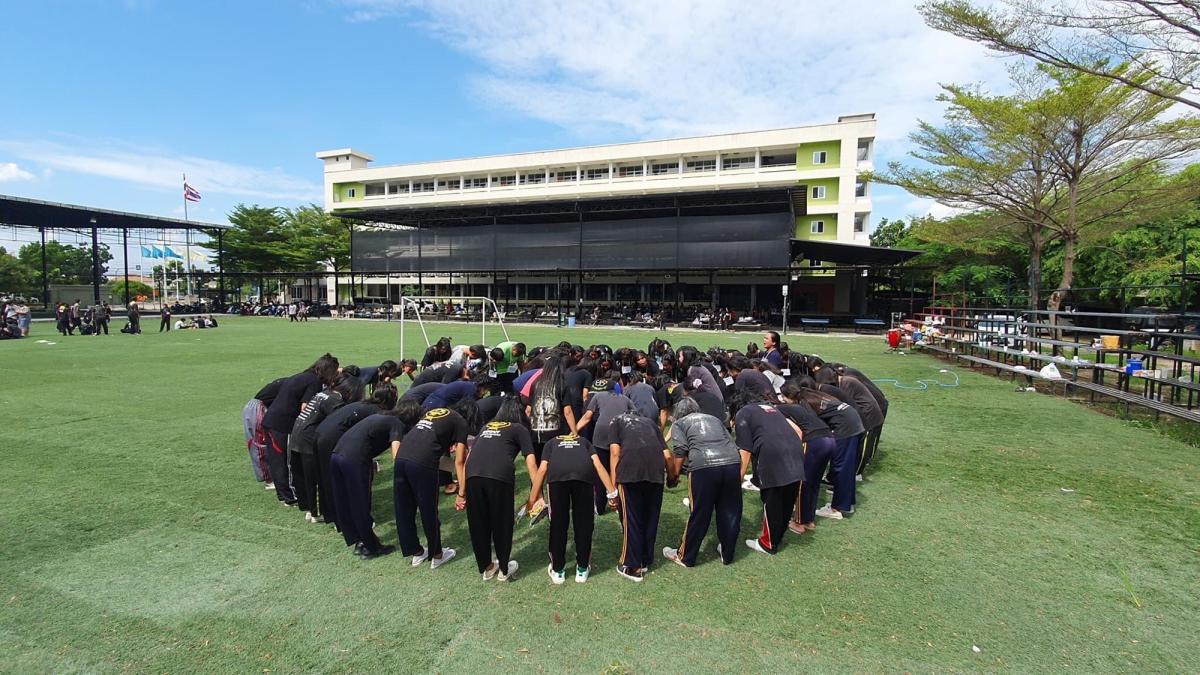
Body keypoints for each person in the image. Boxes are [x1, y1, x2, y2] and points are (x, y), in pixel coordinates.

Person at [457, 398, 537, 582]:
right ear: (518, 413)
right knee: (502, 522)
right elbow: (531, 463)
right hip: (499, 475)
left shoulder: (486, 427)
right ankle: (504, 569)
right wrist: (537, 495)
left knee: (478, 523)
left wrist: (462, 492)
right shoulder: (519, 429)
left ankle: (487, 567)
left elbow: (469, 458)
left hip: (472, 475)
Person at [526, 432, 618, 584]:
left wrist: (531, 500)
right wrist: (612, 493)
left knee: (558, 524)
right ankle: (582, 568)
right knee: (584, 523)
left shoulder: (551, 443)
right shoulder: (584, 441)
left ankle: (558, 571)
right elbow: (598, 465)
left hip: (557, 479)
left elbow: (542, 470)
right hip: (584, 478)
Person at [330, 404, 417, 560]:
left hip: (336, 455)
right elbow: (396, 455)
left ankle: (358, 541)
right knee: (360, 504)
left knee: (345, 501)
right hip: (354, 459)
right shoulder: (396, 423)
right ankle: (371, 547)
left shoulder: (381, 417)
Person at [662, 398, 742, 567]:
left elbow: (680, 451)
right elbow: (731, 442)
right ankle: (727, 553)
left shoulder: (679, 424)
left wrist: (674, 476)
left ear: (678, 413)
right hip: (732, 463)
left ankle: (685, 556)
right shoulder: (714, 419)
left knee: (700, 512)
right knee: (730, 510)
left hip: (703, 467)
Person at [392, 406, 468, 569]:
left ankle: (416, 552)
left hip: (401, 459)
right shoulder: (461, 422)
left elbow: (435, 452)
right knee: (428, 510)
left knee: (404, 509)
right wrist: (462, 493)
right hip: (422, 464)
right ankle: (437, 555)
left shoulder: (434, 414)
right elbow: (459, 461)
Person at [731, 392, 806, 555]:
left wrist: (737, 480)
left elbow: (745, 451)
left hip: (772, 454)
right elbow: (798, 431)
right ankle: (777, 537)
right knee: (787, 499)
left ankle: (768, 544)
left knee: (772, 499)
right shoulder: (772, 409)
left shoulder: (743, 413)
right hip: (795, 451)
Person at [261, 354, 341, 505]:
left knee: (277, 460)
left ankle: (283, 495)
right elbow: (305, 407)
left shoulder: (303, 376)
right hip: (283, 424)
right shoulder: (314, 381)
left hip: (271, 419)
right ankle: (291, 496)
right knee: (287, 461)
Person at [290, 375, 365, 523]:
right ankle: (317, 512)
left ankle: (309, 507)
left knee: (305, 476)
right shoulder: (335, 401)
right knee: (317, 476)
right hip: (309, 438)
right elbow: (338, 422)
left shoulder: (324, 393)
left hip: (298, 434)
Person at [608, 409, 669, 582]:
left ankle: (632, 566)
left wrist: (613, 488)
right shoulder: (651, 424)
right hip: (655, 472)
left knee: (631, 518)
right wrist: (672, 477)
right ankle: (645, 558)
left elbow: (615, 453)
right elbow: (667, 455)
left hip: (630, 471)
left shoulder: (617, 421)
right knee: (650, 517)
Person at [776, 383, 838, 534]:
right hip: (830, 440)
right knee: (814, 482)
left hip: (814, 442)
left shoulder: (780, 409)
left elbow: (797, 431)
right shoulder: (803, 406)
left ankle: (798, 522)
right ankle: (809, 520)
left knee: (802, 483)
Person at [575, 378, 634, 514]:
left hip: (600, 434)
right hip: (620, 433)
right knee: (618, 470)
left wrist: (573, 431)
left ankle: (600, 506)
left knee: (600, 470)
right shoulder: (626, 399)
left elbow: (587, 417)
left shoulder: (598, 396)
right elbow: (635, 416)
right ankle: (619, 503)